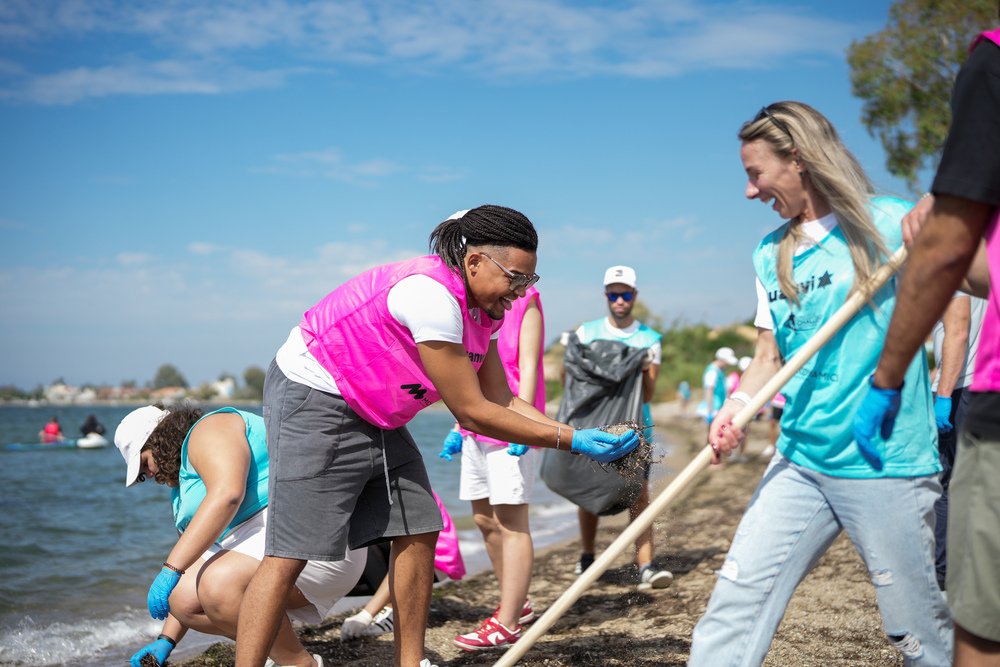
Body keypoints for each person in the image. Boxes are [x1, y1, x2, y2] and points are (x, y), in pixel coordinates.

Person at [236, 205, 639, 667]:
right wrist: (571, 443)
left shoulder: (486, 311)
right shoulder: (431, 296)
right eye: (515, 278)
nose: (521, 292)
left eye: (530, 281)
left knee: (419, 524)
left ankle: (410, 664)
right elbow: (472, 412)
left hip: (378, 408)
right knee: (292, 553)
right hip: (316, 394)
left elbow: (500, 398)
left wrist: (575, 432)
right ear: (474, 263)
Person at [688, 101, 952, 667]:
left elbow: (959, 287)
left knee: (916, 633)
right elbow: (767, 355)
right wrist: (734, 408)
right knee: (734, 603)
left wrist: (947, 214)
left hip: (882, 459)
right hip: (799, 458)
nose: (750, 191)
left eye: (755, 173)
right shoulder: (768, 254)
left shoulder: (890, 224)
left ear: (799, 160)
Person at [854, 17, 1000, 666]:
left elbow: (949, 256)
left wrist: (888, 378)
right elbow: (981, 269)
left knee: (984, 628)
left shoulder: (995, 58)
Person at [114, 404, 365, 667]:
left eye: (145, 464)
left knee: (217, 586)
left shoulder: (211, 427)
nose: (150, 476)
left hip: (314, 535)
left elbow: (228, 495)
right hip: (272, 552)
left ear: (159, 439)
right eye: (143, 476)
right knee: (182, 598)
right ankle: (278, 653)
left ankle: (299, 664)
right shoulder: (181, 497)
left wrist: (170, 568)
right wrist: (167, 639)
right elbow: (195, 568)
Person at [438, 284, 544, 650]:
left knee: (511, 521)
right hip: (476, 424)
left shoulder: (525, 300)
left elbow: (528, 363)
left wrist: (525, 427)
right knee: (484, 519)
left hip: (512, 419)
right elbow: (468, 370)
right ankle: (516, 602)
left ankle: (509, 621)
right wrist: (457, 425)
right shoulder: (468, 305)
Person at [560, 265, 673, 589]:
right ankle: (586, 558)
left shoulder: (649, 340)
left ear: (634, 296)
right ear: (606, 296)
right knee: (587, 492)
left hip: (634, 429)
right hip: (593, 426)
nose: (619, 299)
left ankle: (646, 567)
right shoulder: (585, 333)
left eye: (625, 294)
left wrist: (646, 367)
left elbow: (647, 393)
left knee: (639, 495)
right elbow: (570, 382)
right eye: (613, 293)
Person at [340, 491, 465, 642]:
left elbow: (403, 557)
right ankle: (392, 605)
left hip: (431, 560)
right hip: (415, 555)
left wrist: (366, 615)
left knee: (358, 538)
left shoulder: (387, 486)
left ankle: (395, 610)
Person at [929, 294, 985, 590]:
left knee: (946, 484)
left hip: (963, 389)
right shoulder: (985, 267)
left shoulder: (956, 269)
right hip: (977, 383)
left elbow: (958, 332)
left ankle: (944, 576)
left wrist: (943, 395)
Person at [696, 347, 738, 425]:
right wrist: (710, 410)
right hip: (713, 407)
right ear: (721, 359)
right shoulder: (712, 371)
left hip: (719, 406)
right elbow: (709, 390)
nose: (728, 364)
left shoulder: (721, 370)